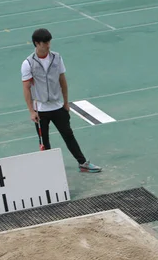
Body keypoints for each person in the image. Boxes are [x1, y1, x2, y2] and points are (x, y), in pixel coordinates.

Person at [21, 28, 101, 173]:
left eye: (49, 41)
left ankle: (82, 163)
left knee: (68, 135)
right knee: (44, 141)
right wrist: (31, 111)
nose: (48, 45)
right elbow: (26, 88)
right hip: (40, 109)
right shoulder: (28, 63)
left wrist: (65, 102)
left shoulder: (57, 58)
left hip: (58, 106)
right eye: (45, 42)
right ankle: (49, 168)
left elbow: (62, 80)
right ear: (36, 44)